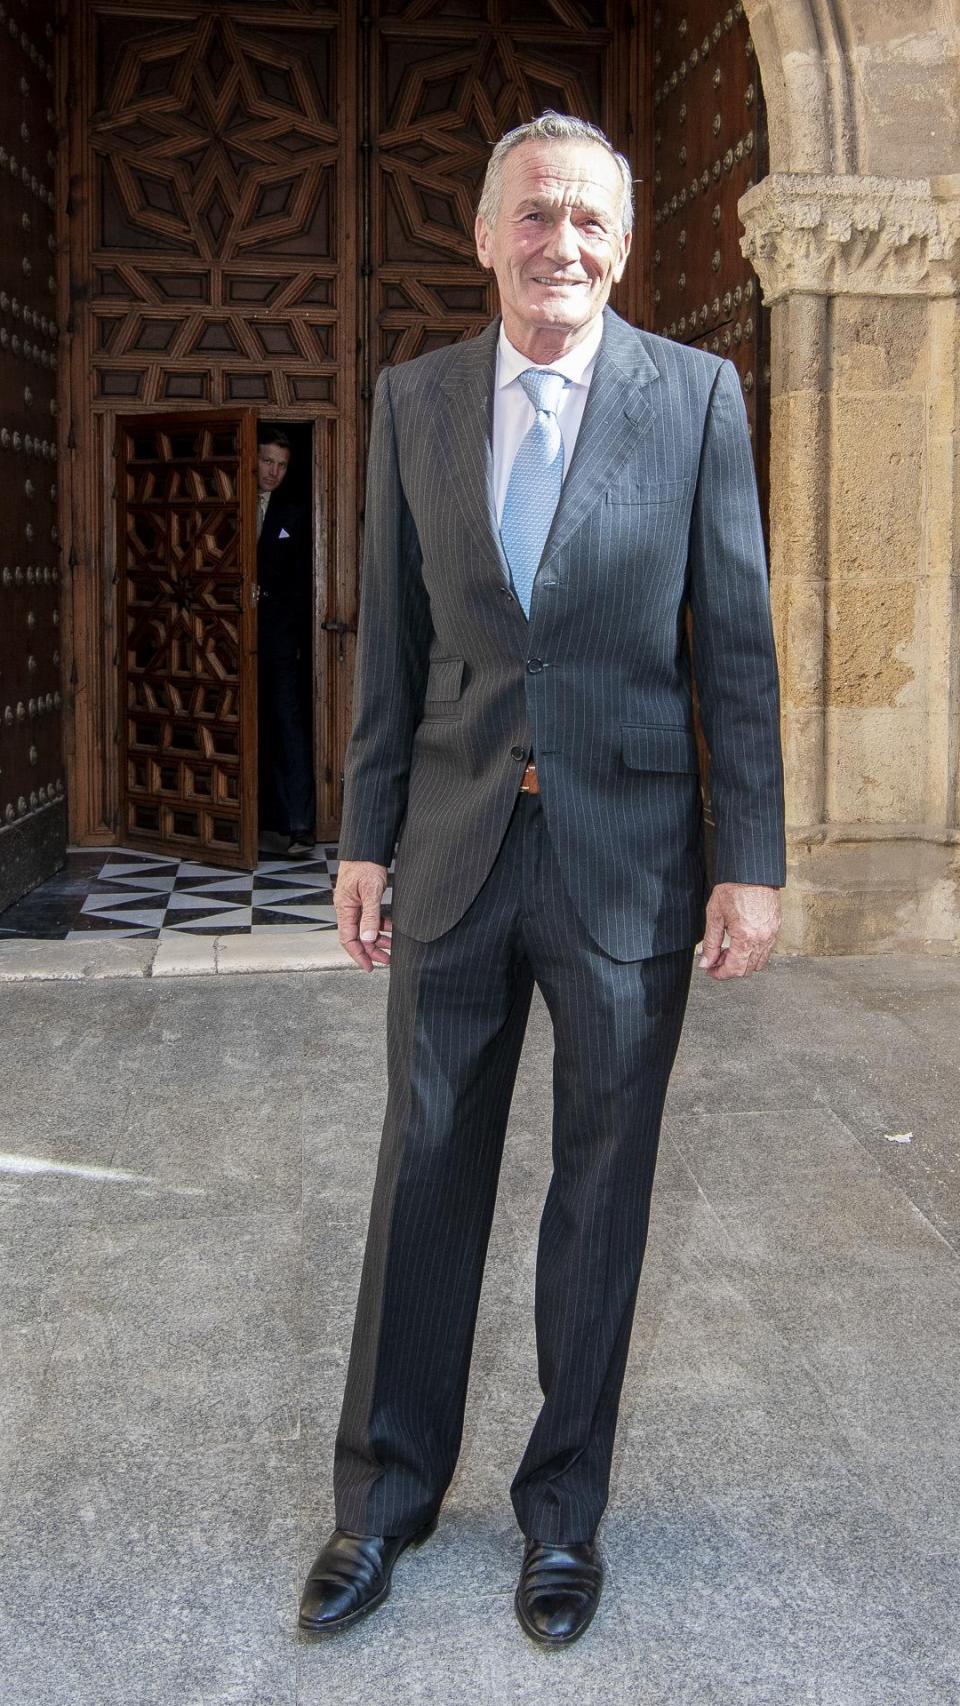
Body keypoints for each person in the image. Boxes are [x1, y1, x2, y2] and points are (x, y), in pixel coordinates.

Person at [299, 111, 785, 1647]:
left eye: (585, 218)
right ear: (485, 231)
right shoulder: (416, 401)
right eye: (532, 216)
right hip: (451, 847)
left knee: (600, 1198)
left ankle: (563, 1516)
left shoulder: (699, 399)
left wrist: (751, 863)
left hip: (629, 864)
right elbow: (392, 643)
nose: (558, 243)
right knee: (424, 1169)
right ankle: (383, 1501)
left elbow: (739, 651)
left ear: (623, 244)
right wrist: (364, 835)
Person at [255, 428, 315, 858]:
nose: (273, 471)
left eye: (281, 464)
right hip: (222, 639)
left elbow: (299, 581)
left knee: (285, 722)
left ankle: (297, 824)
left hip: (278, 638)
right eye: (267, 461)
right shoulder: (224, 501)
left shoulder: (294, 513)